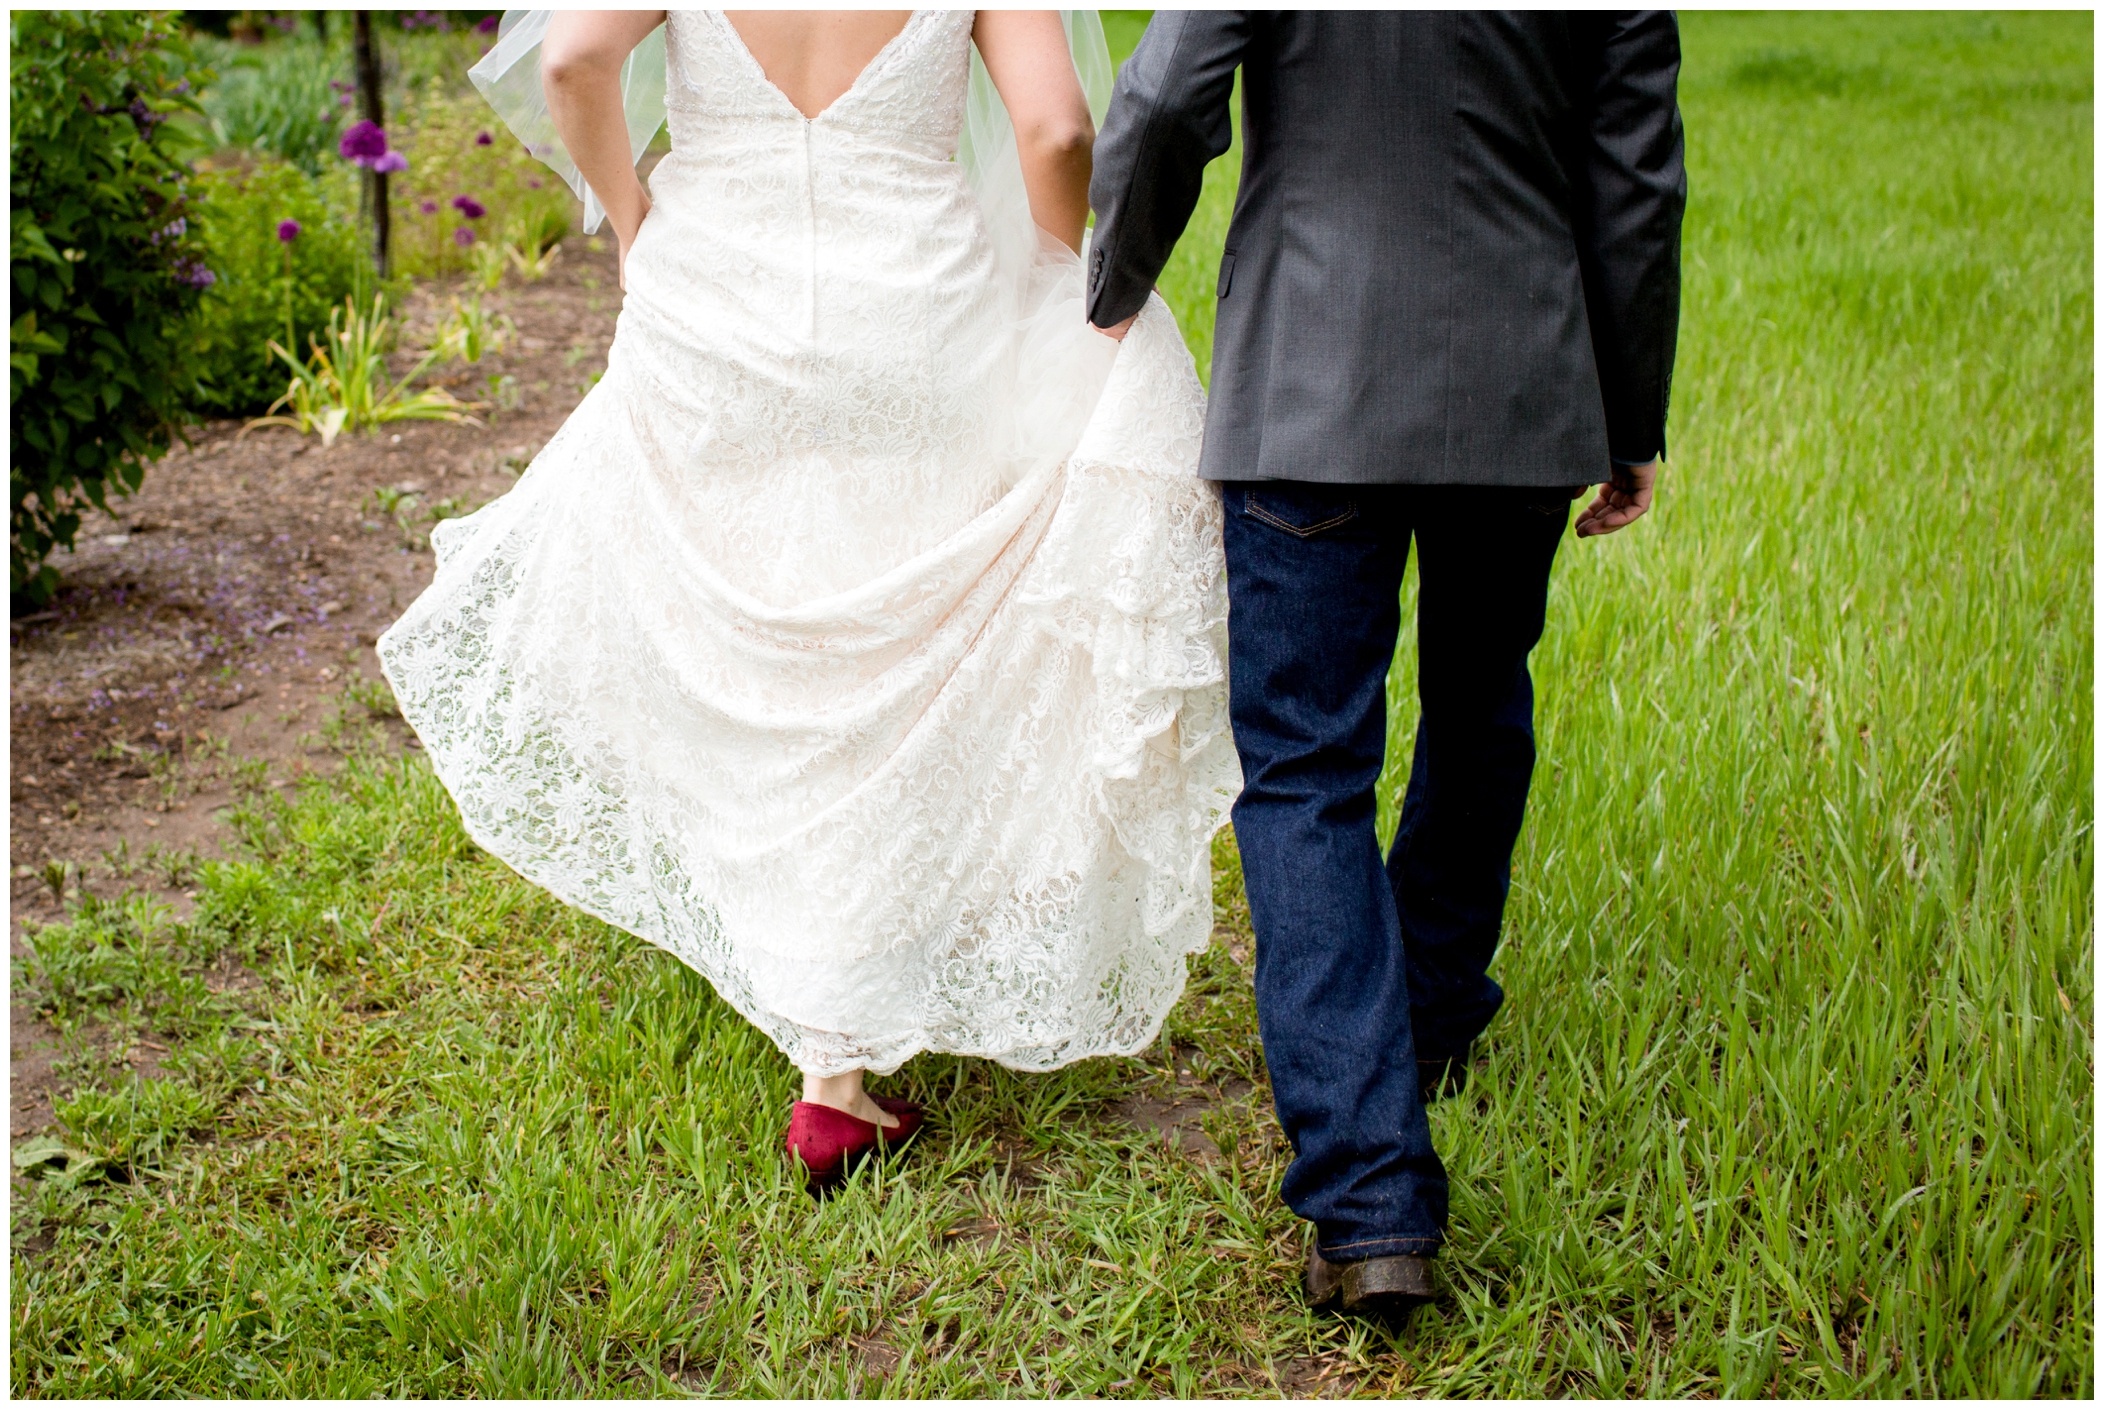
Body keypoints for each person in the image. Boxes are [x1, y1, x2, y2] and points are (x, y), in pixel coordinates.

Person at [379, 10, 1239, 1198]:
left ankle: (813, 996)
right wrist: (1047, 284)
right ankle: (837, 1055)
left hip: (713, 305)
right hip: (913, 320)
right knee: (888, 628)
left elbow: (573, 58)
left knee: (757, 616)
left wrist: (634, 222)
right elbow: (1056, 131)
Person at [1087, 11, 1685, 1318]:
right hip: (1523, 390)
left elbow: (1168, 95)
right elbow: (1635, 175)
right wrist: (1631, 413)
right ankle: (1425, 1015)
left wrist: (1113, 288)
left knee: (1303, 763)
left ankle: (1368, 1199)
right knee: (1482, 707)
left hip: (1309, 381)